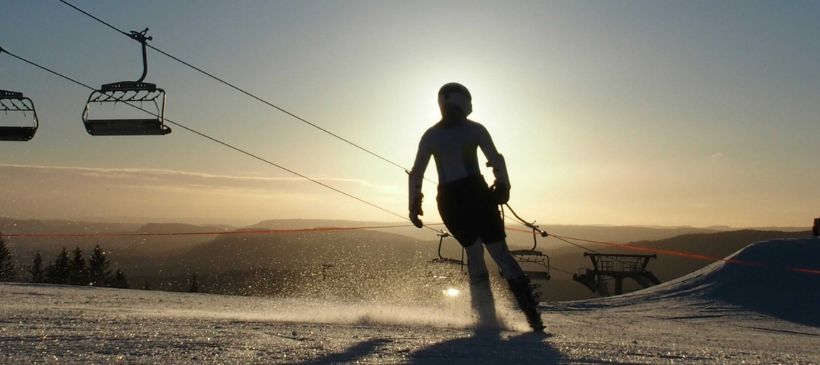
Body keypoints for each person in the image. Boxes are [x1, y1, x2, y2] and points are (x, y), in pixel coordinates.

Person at [408, 82, 544, 332]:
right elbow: (496, 160)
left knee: (473, 253)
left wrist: (413, 205)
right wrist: (504, 186)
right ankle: (532, 317)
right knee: (500, 253)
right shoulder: (475, 129)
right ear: (464, 103)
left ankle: (484, 316)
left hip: (449, 200)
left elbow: (417, 173)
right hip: (476, 194)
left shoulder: (430, 135)